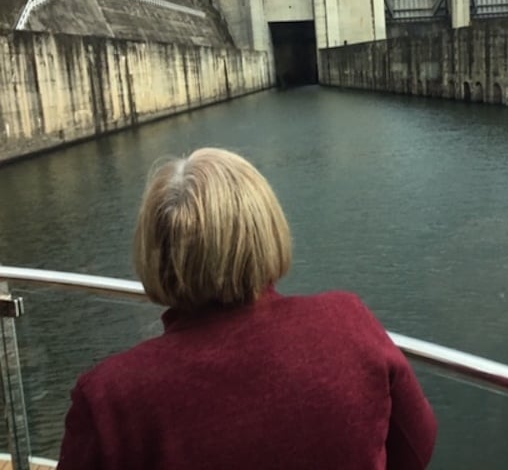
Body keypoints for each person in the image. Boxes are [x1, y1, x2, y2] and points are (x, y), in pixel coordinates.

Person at [57, 147, 437, 470]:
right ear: (266, 229)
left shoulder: (110, 399)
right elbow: (417, 446)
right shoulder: (348, 321)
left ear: (154, 252)